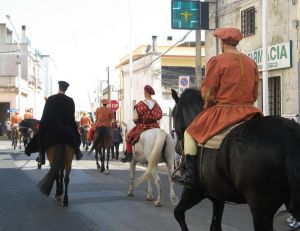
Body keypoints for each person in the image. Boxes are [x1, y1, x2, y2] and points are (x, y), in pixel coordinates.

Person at [173, 28, 263, 188]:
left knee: (189, 134)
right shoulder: (251, 62)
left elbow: (208, 93)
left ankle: (190, 176)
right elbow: (255, 93)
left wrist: (208, 106)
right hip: (250, 111)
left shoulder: (217, 61)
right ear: (237, 42)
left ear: (222, 42)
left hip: (224, 112)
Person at [25, 80, 83, 161]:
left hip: (52, 127)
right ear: (66, 89)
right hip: (66, 127)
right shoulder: (70, 100)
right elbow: (71, 116)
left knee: (40, 135)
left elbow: (45, 114)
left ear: (59, 87)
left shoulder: (51, 99)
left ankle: (41, 155)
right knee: (76, 136)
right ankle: (77, 152)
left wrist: (43, 124)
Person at [121, 85, 163, 163]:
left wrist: (138, 121)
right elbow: (160, 115)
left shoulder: (139, 105)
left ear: (146, 92)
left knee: (128, 137)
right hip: (155, 126)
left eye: (144, 92)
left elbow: (135, 119)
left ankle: (128, 155)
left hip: (143, 126)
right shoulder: (156, 104)